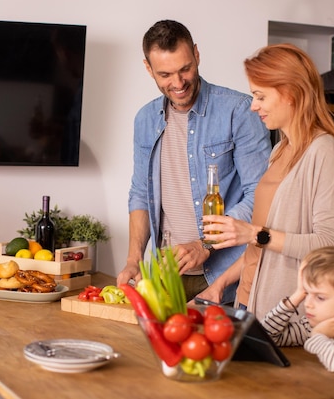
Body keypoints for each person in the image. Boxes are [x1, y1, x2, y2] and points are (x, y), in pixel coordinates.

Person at [116, 20, 271, 302]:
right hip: (165, 277)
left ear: (197, 55)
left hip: (226, 277)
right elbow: (141, 193)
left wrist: (205, 245)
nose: (177, 83)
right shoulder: (145, 119)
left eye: (185, 69)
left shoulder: (239, 111)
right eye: (165, 74)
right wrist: (133, 259)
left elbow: (261, 195)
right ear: (148, 69)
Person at [198, 43, 334, 320]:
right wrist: (221, 284)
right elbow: (260, 240)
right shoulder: (279, 150)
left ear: (290, 93)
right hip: (248, 301)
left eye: (260, 96)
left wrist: (254, 234)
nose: (254, 106)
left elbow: (332, 244)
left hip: (286, 313)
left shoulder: (324, 152)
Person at [261, 245, 334, 373]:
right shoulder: (311, 325)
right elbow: (267, 337)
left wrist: (318, 335)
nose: (307, 304)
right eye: (307, 293)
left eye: (320, 297)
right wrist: (297, 295)